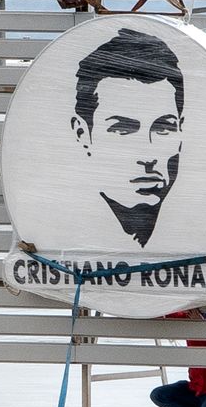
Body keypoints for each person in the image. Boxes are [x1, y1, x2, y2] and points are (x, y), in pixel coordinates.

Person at [69, 28, 185, 247]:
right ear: (83, 134)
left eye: (163, 128)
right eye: (122, 130)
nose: (147, 155)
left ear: (182, 131)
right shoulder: (61, 231)